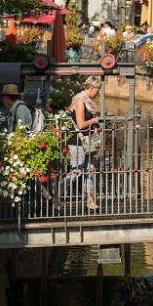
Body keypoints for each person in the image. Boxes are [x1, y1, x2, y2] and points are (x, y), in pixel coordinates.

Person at [67, 79, 100, 210]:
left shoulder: (86, 101)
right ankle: (57, 196)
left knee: (90, 170)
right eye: (97, 90)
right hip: (77, 142)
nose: (98, 93)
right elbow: (81, 124)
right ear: (91, 88)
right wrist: (94, 120)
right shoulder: (80, 101)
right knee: (76, 171)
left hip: (87, 140)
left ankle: (90, 201)